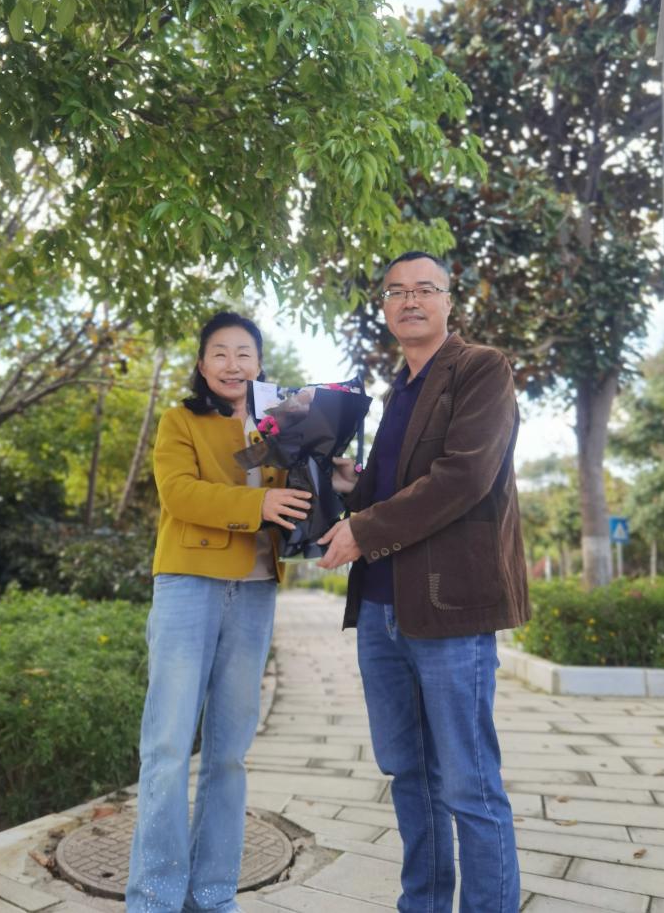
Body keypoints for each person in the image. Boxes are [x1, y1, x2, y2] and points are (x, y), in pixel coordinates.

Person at [318, 251, 530, 913]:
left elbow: (464, 477)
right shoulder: (397, 391)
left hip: (449, 608)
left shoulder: (482, 368)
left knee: (469, 783)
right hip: (381, 612)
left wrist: (363, 528)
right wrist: (351, 485)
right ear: (385, 307)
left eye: (424, 288)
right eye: (396, 292)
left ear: (448, 300)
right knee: (409, 774)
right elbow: (395, 490)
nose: (409, 300)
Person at [126, 311, 311, 913]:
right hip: (190, 585)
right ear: (203, 365)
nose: (233, 365)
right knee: (168, 748)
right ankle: (154, 899)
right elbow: (179, 493)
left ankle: (212, 896)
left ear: (259, 364)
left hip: (255, 592)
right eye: (220, 353)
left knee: (229, 754)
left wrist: (336, 478)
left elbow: (300, 499)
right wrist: (259, 503)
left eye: (244, 354)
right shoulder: (180, 420)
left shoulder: (280, 427)